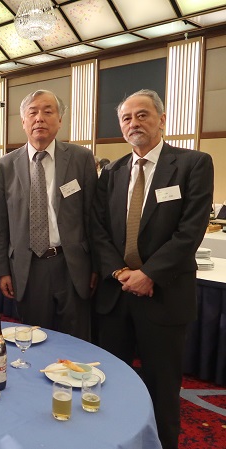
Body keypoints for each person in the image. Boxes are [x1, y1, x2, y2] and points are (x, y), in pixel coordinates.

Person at [90, 89, 213, 449]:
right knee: (111, 382)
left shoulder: (193, 164)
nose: (134, 123)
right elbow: (98, 230)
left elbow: (190, 230)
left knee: (162, 389)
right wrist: (119, 272)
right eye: (126, 118)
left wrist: (149, 274)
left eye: (142, 115)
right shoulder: (111, 172)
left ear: (162, 120)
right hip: (116, 297)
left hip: (165, 295)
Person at [0, 89, 97, 341]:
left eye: (48, 112)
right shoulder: (6, 165)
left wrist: (97, 266)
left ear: (60, 120)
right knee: (34, 339)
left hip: (72, 265)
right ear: (23, 121)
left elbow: (93, 216)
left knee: (76, 340)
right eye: (33, 112)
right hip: (29, 266)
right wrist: (2, 270)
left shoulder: (81, 158)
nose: (39, 118)